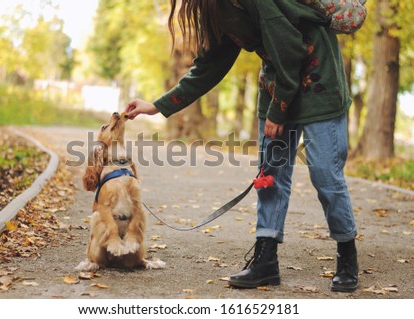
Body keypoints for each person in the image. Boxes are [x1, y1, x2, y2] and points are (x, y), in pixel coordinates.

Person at [125, 0, 359, 292]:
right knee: (270, 177)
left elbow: (290, 47)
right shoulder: (214, 7)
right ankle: (266, 260)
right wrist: (157, 106)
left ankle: (347, 256)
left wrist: (278, 109)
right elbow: (211, 64)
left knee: (325, 173)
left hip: (318, 79)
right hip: (278, 82)